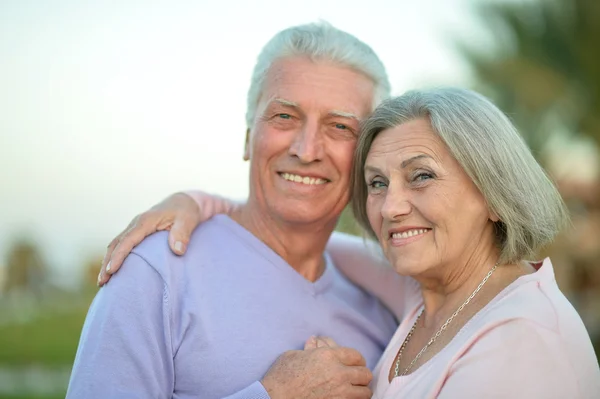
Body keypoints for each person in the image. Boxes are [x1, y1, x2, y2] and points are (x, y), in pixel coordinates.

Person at [101, 88, 600, 397]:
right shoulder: (427, 291)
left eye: (421, 176)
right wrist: (200, 203)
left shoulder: (523, 344)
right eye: (378, 183)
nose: (389, 207)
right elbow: (295, 242)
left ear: (494, 194)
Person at [67, 22, 401, 399]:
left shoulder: (383, 308)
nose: (306, 150)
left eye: (339, 126)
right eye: (284, 117)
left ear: (367, 157)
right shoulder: (156, 271)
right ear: (247, 137)